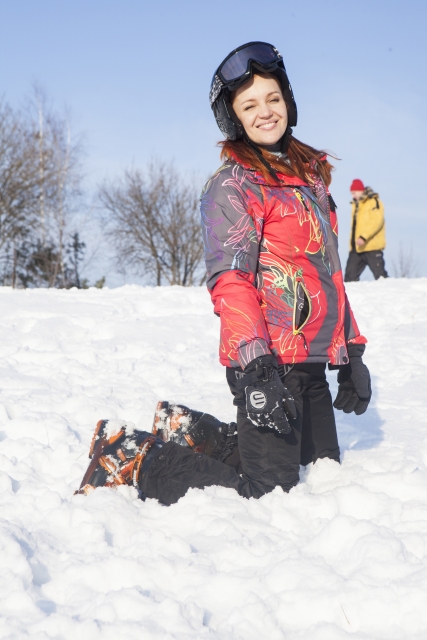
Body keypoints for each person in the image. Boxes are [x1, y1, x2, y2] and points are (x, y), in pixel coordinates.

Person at [77, 41, 372, 506]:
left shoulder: (310, 180)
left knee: (317, 469)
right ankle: (132, 456)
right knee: (269, 490)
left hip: (310, 363)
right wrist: (256, 369)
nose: (266, 112)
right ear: (234, 117)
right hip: (265, 362)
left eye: (273, 98)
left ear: (288, 101)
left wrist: (351, 351)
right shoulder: (233, 185)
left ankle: (196, 432)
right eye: (250, 104)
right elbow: (231, 282)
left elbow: (329, 273)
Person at [344, 179, 388, 281]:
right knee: (349, 279)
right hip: (357, 248)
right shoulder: (356, 205)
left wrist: (364, 236)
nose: (353, 196)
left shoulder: (374, 201)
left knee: (381, 277)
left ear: (360, 190)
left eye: (354, 193)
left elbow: (377, 222)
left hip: (372, 246)